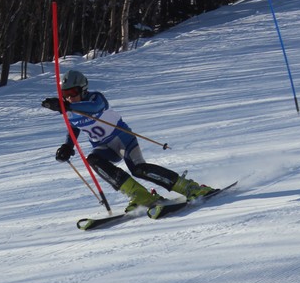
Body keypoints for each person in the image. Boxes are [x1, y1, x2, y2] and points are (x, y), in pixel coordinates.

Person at [42, 70, 214, 211]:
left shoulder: (96, 98)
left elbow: (95, 108)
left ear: (83, 89)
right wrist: (67, 146)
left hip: (122, 140)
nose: (70, 98)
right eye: (65, 95)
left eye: (73, 93)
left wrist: (67, 106)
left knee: (138, 169)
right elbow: (73, 128)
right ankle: (140, 195)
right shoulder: (70, 110)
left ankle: (191, 188)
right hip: (104, 147)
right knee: (93, 160)